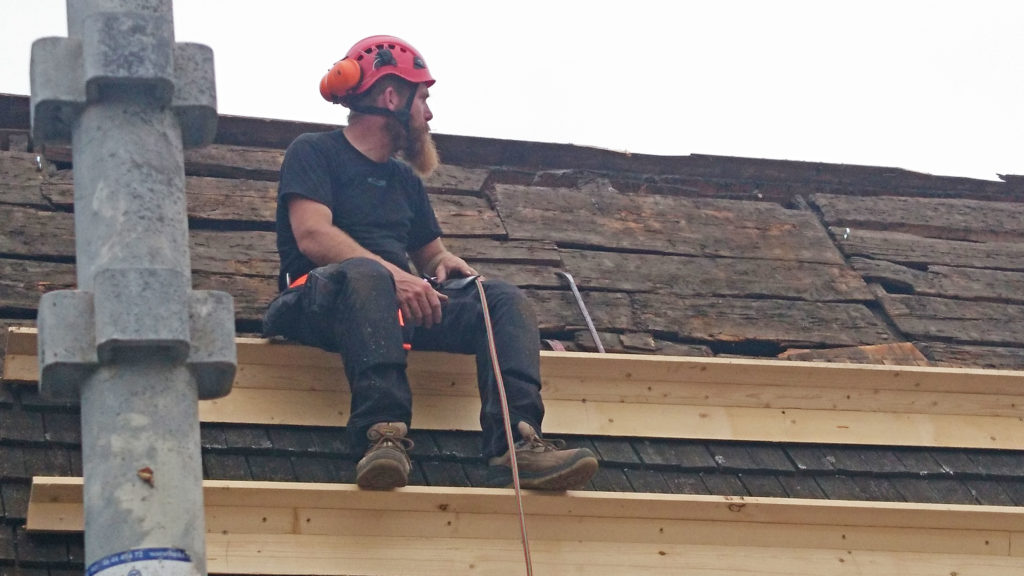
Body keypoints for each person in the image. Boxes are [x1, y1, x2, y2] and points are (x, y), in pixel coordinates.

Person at [263, 35, 598, 491]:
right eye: (423, 98)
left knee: (498, 297)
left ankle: (516, 444)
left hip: (389, 308)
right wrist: (396, 276)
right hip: (318, 300)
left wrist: (444, 261)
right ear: (390, 97)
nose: (429, 114)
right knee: (367, 276)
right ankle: (383, 434)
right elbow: (313, 234)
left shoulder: (402, 177)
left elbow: (429, 251)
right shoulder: (313, 151)